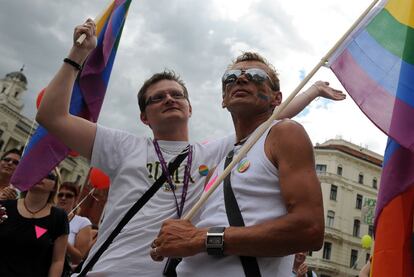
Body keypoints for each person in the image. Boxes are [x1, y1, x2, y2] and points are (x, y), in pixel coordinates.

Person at [36, 19, 341, 276]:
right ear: (144, 117)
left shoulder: (214, 153)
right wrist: (77, 55)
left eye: (176, 94)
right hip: (111, 270)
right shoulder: (122, 146)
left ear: (190, 107)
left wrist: (312, 91)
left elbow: (270, 119)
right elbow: (51, 116)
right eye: (157, 98)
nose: (168, 99)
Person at [152, 52, 325, 276]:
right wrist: (173, 240)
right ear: (224, 99)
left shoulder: (284, 133)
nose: (241, 79)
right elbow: (196, 235)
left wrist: (202, 238)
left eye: (255, 75)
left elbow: (309, 230)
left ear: (277, 98)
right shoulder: (219, 166)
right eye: (230, 77)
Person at [0, 170, 69, 276]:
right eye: (35, 172)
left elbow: (58, 261)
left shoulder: (59, 217)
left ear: (55, 186)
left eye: (49, 175)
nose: (41, 175)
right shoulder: (5, 206)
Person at [57, 182, 92, 266]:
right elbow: (37, 238)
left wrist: (61, 237)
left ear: (76, 199)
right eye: (60, 194)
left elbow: (78, 258)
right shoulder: (47, 216)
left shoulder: (83, 223)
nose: (63, 198)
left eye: (69, 195)